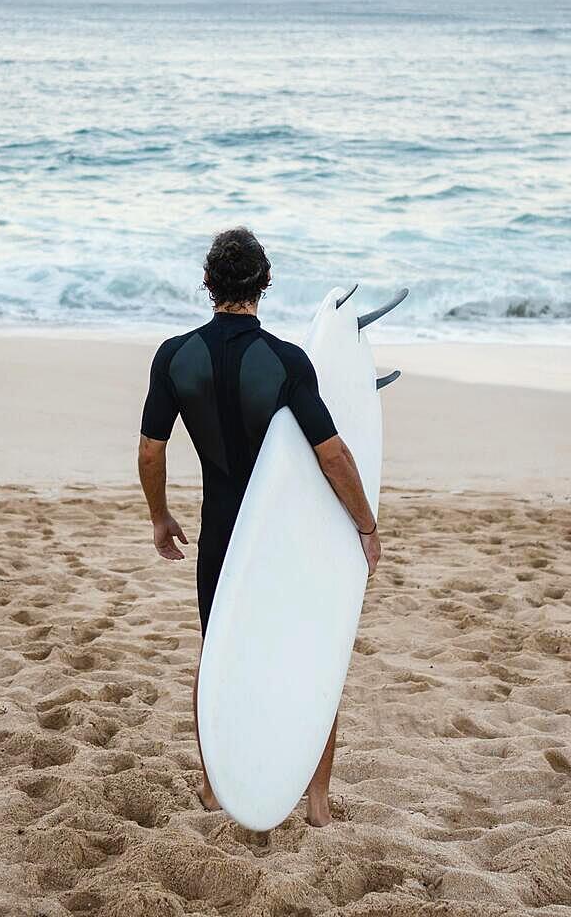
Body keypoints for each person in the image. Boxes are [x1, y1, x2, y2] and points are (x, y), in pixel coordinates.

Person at [138, 227, 381, 827]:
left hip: (221, 533)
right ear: (264, 283)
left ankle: (216, 787)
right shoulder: (286, 362)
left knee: (219, 656)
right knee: (307, 656)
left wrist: (160, 515)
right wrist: (365, 525)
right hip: (283, 534)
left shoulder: (174, 357)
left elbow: (150, 451)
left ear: (207, 283)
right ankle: (317, 801)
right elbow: (332, 455)